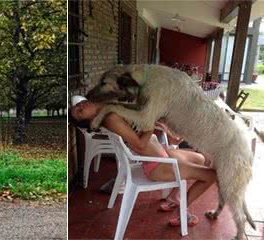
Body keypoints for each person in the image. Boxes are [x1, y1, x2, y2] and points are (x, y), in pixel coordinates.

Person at [69, 95, 217, 227]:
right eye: (80, 112)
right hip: (157, 166)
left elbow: (141, 125)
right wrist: (151, 122)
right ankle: (182, 210)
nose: (80, 106)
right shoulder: (110, 118)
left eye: (78, 106)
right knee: (211, 175)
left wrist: (159, 125)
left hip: (161, 155)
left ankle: (174, 197)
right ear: (90, 121)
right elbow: (140, 144)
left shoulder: (109, 111)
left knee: (200, 158)